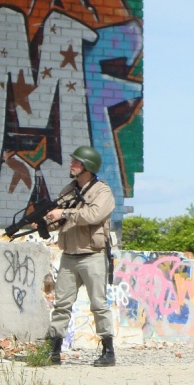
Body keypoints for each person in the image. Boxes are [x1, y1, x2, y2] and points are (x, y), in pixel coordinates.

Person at [45, 146, 116, 367]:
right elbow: (60, 218)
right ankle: (53, 349)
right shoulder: (68, 190)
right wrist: (48, 219)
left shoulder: (102, 191)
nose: (71, 165)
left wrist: (64, 213)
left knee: (99, 304)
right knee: (62, 304)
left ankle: (108, 350)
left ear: (88, 166)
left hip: (92, 255)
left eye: (76, 162)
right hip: (69, 254)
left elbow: (94, 215)